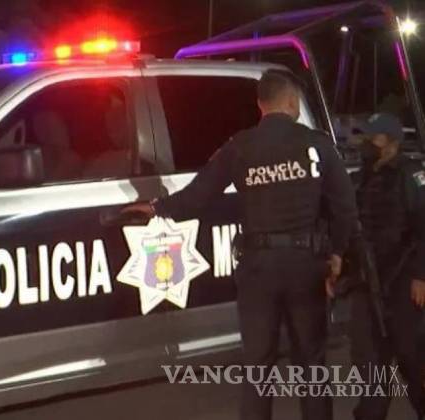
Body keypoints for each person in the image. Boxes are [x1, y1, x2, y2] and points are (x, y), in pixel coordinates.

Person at [125, 69, 357, 420]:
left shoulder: (240, 147)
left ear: (260, 104)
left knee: (258, 365)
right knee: (311, 363)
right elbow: (345, 206)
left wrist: (157, 208)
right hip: (305, 265)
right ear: (292, 101)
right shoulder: (317, 144)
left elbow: (197, 196)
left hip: (258, 269)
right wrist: (337, 253)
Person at [348, 113, 425, 420]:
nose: (368, 143)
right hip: (368, 282)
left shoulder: (411, 175)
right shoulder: (362, 177)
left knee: (411, 358)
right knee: (370, 365)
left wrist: (421, 275)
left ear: (392, 143)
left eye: (375, 137)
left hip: (404, 281)